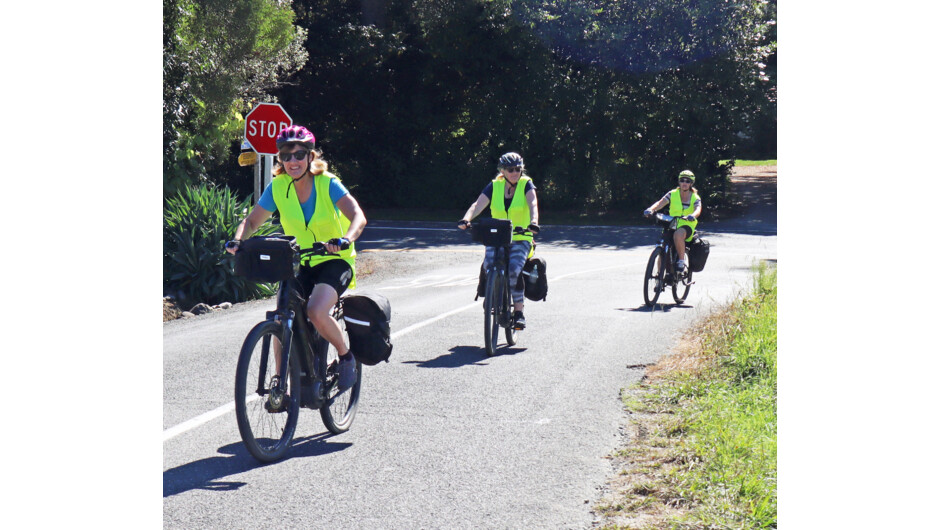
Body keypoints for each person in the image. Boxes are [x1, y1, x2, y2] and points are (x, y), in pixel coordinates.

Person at [226, 125, 367, 391]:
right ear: (279, 159)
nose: (293, 161)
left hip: (334, 260)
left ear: (310, 157)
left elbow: (358, 216)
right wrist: (238, 240)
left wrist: (346, 238)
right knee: (282, 317)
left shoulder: (327, 183)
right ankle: (280, 383)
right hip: (298, 261)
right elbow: (253, 220)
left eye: (299, 154)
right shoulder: (278, 187)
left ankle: (346, 357)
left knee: (315, 310)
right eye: (286, 156)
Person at [458, 152, 540, 330]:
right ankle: (491, 294)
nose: (515, 172)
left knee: (514, 269)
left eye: (518, 169)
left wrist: (534, 223)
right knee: (488, 264)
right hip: (497, 236)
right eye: (510, 169)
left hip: (521, 236)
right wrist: (466, 219)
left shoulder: (526, 184)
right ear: (502, 171)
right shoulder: (495, 186)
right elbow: (477, 204)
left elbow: (533, 204)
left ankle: (518, 312)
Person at [643, 169, 702, 273]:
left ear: (691, 184)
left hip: (687, 224)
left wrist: (693, 215)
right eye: (682, 180)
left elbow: (698, 209)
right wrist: (651, 210)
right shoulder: (672, 194)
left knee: (678, 235)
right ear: (679, 182)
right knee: (663, 245)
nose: (684, 183)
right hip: (672, 223)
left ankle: (681, 260)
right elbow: (660, 203)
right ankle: (659, 277)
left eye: (687, 181)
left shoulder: (694, 197)